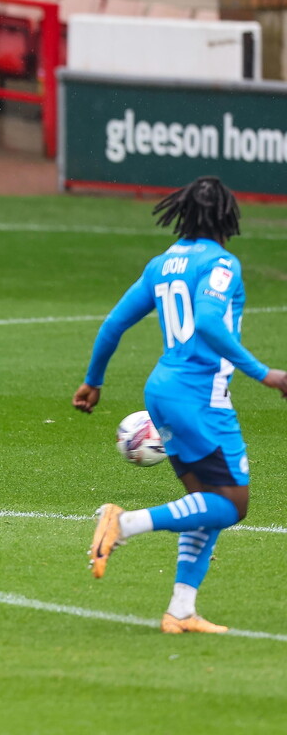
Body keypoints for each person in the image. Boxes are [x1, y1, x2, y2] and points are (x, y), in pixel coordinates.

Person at [72, 177, 287, 634]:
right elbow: (209, 319)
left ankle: (181, 610)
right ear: (227, 217)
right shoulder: (222, 264)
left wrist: (94, 380)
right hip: (199, 398)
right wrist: (265, 374)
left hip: (162, 390)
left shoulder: (162, 264)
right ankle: (124, 524)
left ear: (184, 215)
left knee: (204, 501)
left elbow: (113, 323)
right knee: (232, 505)